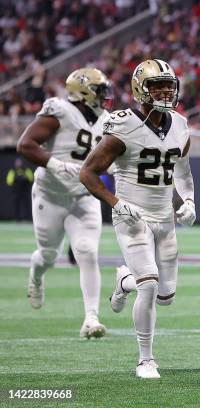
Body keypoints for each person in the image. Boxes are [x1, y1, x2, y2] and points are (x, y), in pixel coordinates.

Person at [79, 59, 196, 379]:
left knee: (166, 296)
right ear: (139, 89)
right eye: (156, 85)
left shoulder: (180, 124)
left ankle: (123, 280)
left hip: (165, 218)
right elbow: (87, 173)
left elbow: (181, 171)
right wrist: (115, 203)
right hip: (132, 216)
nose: (164, 91)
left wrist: (188, 200)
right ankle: (146, 359)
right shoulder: (123, 125)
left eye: (168, 85)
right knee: (149, 284)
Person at [16, 68, 112, 339]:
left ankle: (91, 318)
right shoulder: (61, 110)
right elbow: (26, 144)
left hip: (84, 194)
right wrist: (56, 164)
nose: (105, 96)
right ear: (82, 92)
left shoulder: (106, 119)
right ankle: (36, 275)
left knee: (87, 251)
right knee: (49, 254)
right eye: (99, 90)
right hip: (50, 194)